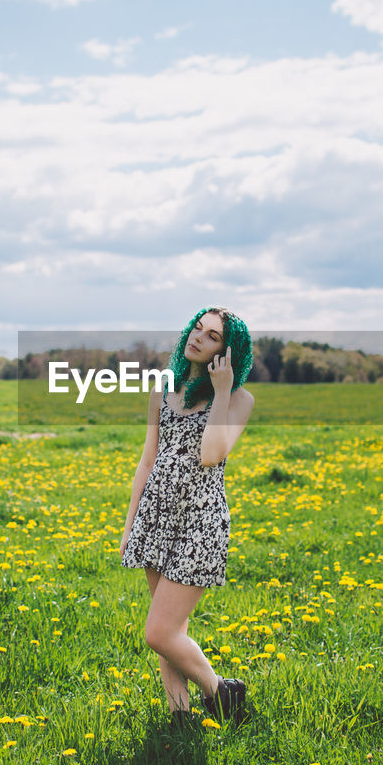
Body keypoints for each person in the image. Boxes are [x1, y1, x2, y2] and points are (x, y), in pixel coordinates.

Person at [119, 307, 256, 726]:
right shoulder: (164, 388)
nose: (198, 337)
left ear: (228, 351)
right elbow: (147, 460)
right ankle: (181, 719)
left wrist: (221, 390)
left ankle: (221, 692)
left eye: (212, 336)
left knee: (159, 632)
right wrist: (129, 526)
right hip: (156, 516)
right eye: (197, 328)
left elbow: (211, 455)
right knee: (170, 631)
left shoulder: (238, 400)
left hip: (200, 522)